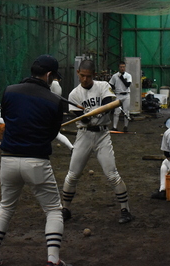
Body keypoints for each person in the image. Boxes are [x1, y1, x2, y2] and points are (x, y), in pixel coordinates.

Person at [0, 55, 69, 266]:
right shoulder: (55, 101)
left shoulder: (9, 91)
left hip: (8, 160)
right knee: (53, 211)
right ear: (48, 75)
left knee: (5, 207)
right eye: (53, 78)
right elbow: (51, 134)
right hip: (37, 162)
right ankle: (53, 261)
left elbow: (9, 119)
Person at [61, 59, 134, 224]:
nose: (85, 79)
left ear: (93, 75)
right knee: (72, 175)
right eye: (82, 75)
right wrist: (85, 116)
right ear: (78, 73)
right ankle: (65, 208)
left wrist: (95, 111)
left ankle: (125, 210)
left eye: (88, 76)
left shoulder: (102, 86)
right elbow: (81, 120)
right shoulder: (74, 94)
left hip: (102, 136)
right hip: (84, 135)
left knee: (112, 175)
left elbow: (111, 103)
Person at [49, 78, 74, 152]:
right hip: (55, 110)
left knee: (55, 134)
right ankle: (71, 148)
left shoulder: (53, 84)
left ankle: (72, 148)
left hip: (50, 111)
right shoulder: (58, 85)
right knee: (56, 133)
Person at [109, 61, 132, 132]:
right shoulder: (115, 76)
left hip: (126, 95)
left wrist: (121, 78)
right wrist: (111, 92)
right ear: (119, 67)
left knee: (126, 112)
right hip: (118, 95)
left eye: (123, 67)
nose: (122, 68)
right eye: (121, 67)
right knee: (116, 111)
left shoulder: (128, 75)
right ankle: (114, 126)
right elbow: (110, 84)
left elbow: (127, 85)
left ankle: (125, 126)